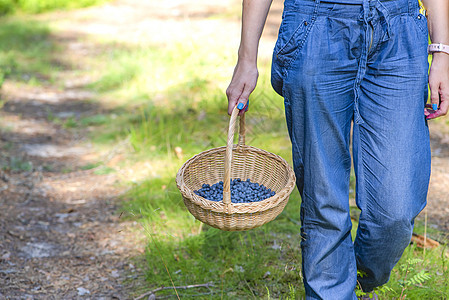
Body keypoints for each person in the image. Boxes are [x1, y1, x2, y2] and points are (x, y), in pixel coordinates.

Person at [226, 0, 449, 299]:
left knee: (395, 214)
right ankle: (333, 288)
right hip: (316, 27)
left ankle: (351, 277)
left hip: (399, 33)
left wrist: (442, 52)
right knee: (323, 202)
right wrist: (246, 58)